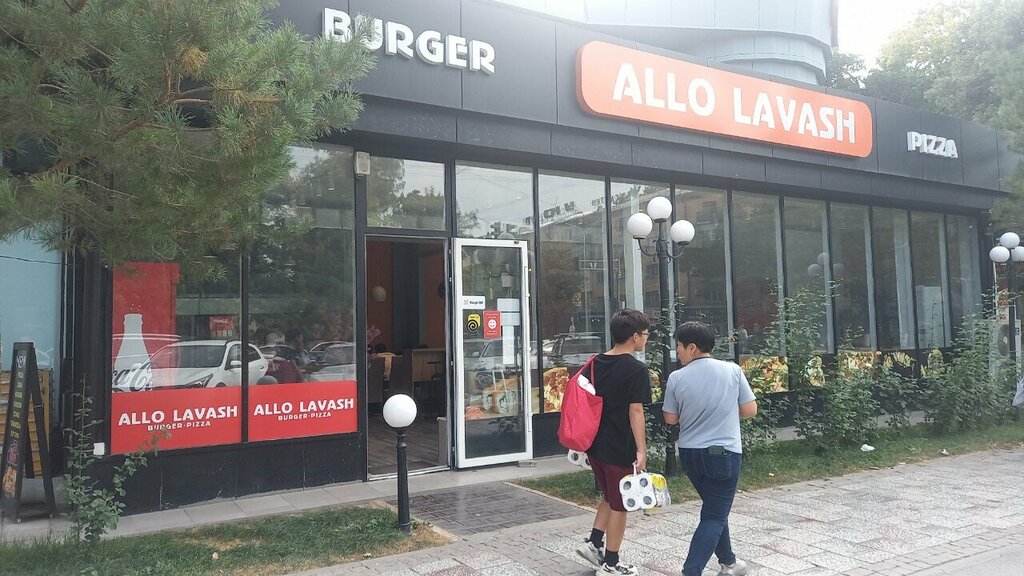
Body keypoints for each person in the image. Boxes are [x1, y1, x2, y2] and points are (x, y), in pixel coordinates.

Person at [662, 321, 758, 576]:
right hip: (723, 454)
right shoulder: (733, 370)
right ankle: (691, 571)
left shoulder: (676, 378)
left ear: (692, 348)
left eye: (679, 346)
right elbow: (750, 410)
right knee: (714, 515)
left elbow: (670, 418)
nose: (677, 352)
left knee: (715, 508)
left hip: (691, 454)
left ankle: (729, 563)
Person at [575, 309, 651, 576]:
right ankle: (611, 563)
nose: (646, 339)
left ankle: (594, 542)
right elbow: (636, 411)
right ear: (634, 336)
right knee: (621, 504)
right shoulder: (637, 369)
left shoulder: (595, 363)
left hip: (595, 444)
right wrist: (641, 449)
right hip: (619, 445)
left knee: (610, 494)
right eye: (646, 334)